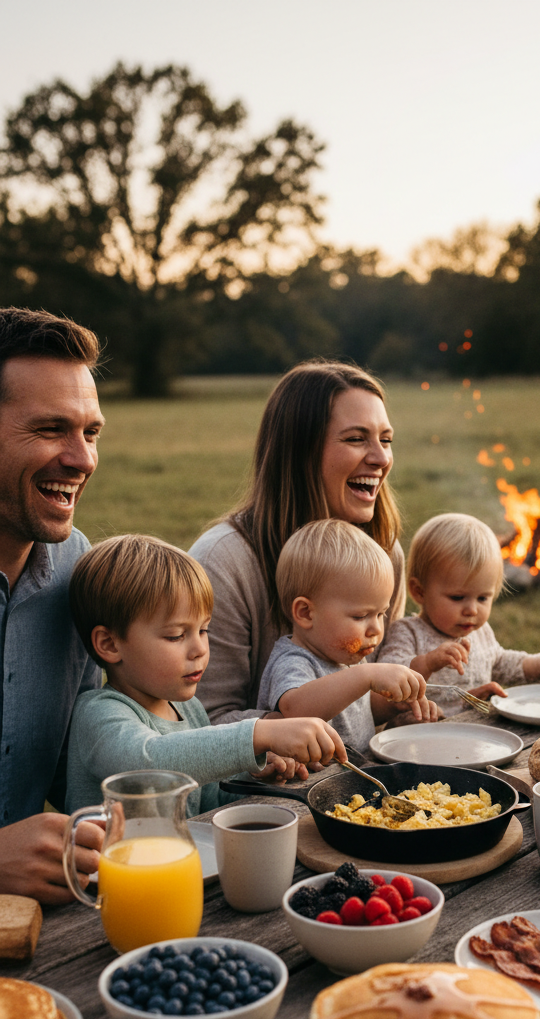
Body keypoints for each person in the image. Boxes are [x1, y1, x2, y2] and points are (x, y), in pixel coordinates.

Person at [190, 360, 405, 725]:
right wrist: (290, 730)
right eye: (356, 439)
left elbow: (368, 701)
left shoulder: (384, 552)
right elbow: (202, 721)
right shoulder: (224, 563)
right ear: (299, 452)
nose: (381, 458)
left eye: (385, 440)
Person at [65, 534, 346, 813]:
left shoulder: (189, 709)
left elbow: (207, 805)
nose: (199, 648)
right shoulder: (98, 714)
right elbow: (149, 764)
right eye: (176, 635)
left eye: (203, 630)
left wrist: (254, 774)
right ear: (110, 644)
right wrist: (257, 734)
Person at [0, 307, 106, 903]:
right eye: (49, 430)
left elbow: (82, 774)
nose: (82, 459)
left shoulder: (76, 569)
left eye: (90, 432)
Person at [257, 520, 438, 754]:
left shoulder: (345, 656)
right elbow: (295, 712)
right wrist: (366, 675)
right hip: (307, 786)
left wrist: (394, 705)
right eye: (361, 616)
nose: (376, 629)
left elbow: (359, 712)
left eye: (381, 613)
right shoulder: (294, 660)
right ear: (306, 613)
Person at [377, 513, 540, 716]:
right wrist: (429, 662)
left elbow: (504, 663)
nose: (472, 610)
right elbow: (388, 680)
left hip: (477, 733)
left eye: (483, 598)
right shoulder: (407, 632)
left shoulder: (480, 632)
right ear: (419, 591)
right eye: (457, 597)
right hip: (421, 734)